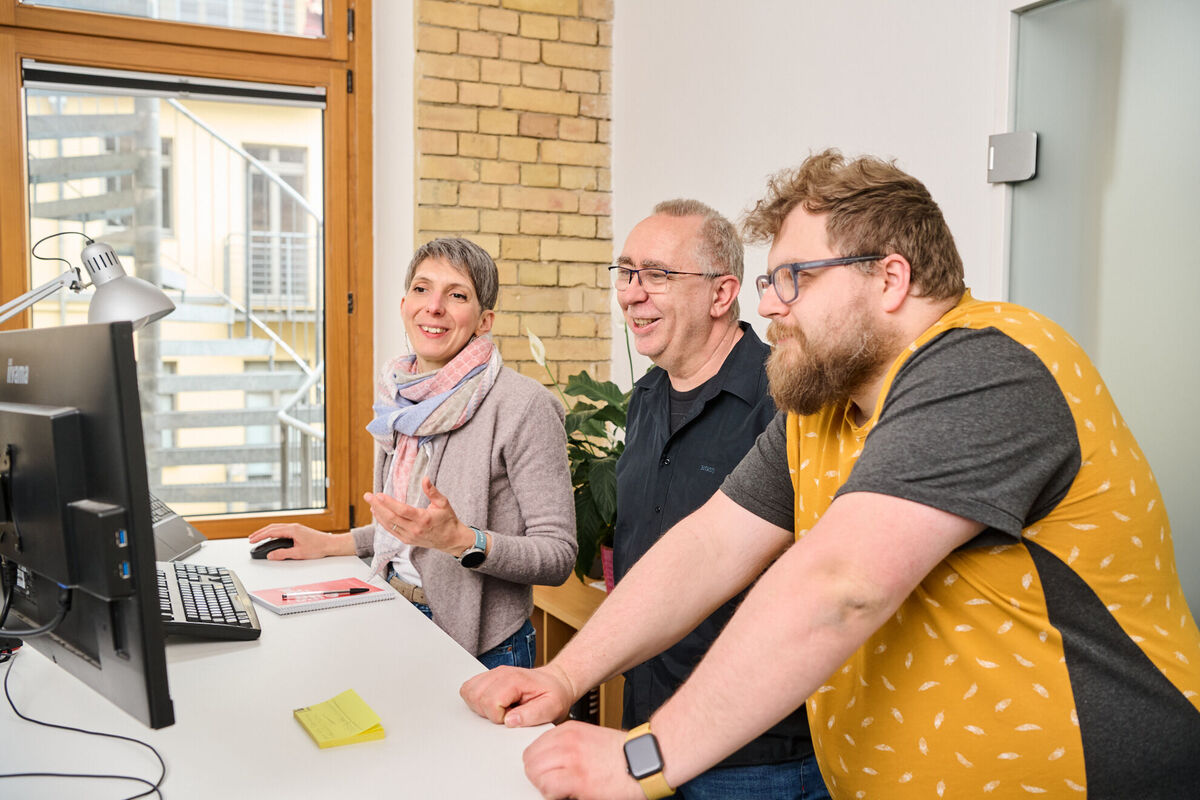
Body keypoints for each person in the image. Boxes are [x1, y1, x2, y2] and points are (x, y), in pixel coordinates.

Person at [460, 151, 1200, 800]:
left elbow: (841, 584)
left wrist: (642, 757)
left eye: (794, 279)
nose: (769, 304)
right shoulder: (823, 406)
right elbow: (709, 545)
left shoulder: (988, 362)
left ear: (890, 278)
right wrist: (564, 677)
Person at [250, 237, 576, 669]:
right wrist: (329, 543)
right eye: (422, 289)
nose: (434, 306)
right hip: (393, 612)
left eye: (456, 295)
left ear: (484, 321)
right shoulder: (398, 399)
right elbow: (412, 530)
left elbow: (557, 556)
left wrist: (463, 541)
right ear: (405, 303)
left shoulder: (523, 406)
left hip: (485, 650)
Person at [611, 198, 826, 799]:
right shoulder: (646, 397)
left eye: (656, 274)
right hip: (649, 729)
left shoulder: (786, 400)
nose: (632, 293)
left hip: (754, 759)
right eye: (626, 272)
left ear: (721, 292)